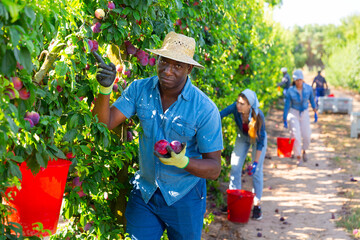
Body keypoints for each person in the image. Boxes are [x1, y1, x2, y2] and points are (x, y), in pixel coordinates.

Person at [91, 32, 223, 239]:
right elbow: (104, 123)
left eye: (177, 65)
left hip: (185, 197)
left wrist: (183, 162)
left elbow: (214, 169)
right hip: (146, 193)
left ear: (189, 69)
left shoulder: (204, 109)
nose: (167, 71)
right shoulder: (139, 90)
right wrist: (105, 89)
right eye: (164, 61)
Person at [220, 89, 267, 220]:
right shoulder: (235, 108)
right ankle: (234, 201)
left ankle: (257, 206)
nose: (238, 105)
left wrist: (256, 163)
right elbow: (220, 114)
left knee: (257, 172)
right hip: (242, 137)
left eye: (242, 104)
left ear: (249, 106)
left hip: (256, 139)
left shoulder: (258, 116)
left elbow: (261, 142)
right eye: (238, 102)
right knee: (235, 167)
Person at [283, 69, 317, 165]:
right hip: (294, 112)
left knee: (307, 135)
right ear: (294, 81)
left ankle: (304, 151)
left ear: (302, 79)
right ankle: (298, 156)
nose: (299, 82)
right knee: (295, 135)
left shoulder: (308, 88)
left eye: (300, 80)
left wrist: (315, 111)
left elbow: (312, 100)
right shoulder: (290, 91)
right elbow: (287, 105)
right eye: (297, 80)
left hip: (304, 112)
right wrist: (284, 118)